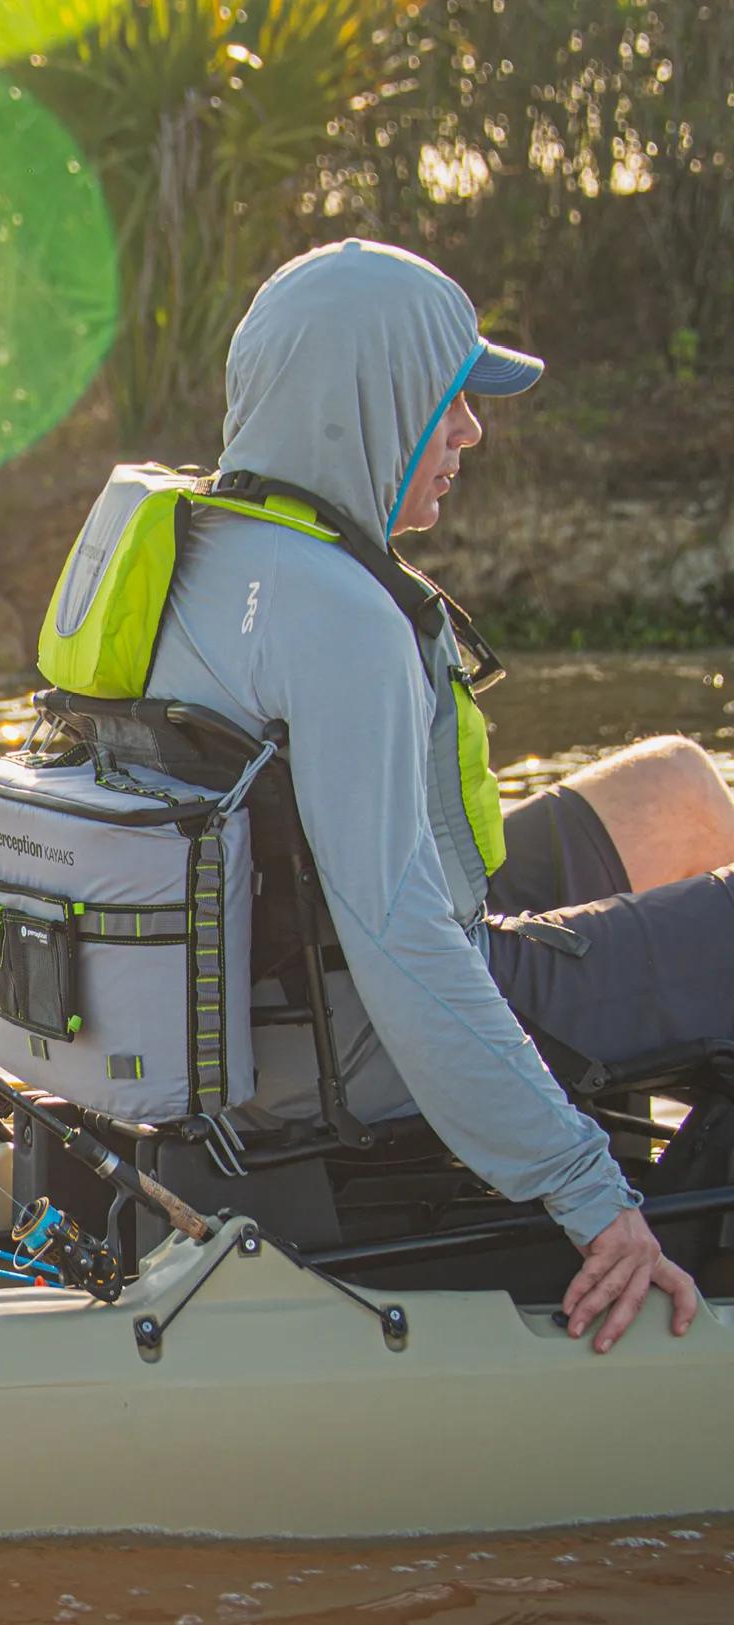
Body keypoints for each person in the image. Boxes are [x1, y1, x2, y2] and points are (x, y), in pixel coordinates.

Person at [144, 238, 728, 1351]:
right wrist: (588, 1191)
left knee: (676, 786)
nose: (470, 432)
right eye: (448, 400)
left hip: (281, 1002)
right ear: (370, 402)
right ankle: (683, 1243)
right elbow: (403, 943)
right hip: (369, 1040)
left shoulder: (199, 554)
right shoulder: (340, 616)